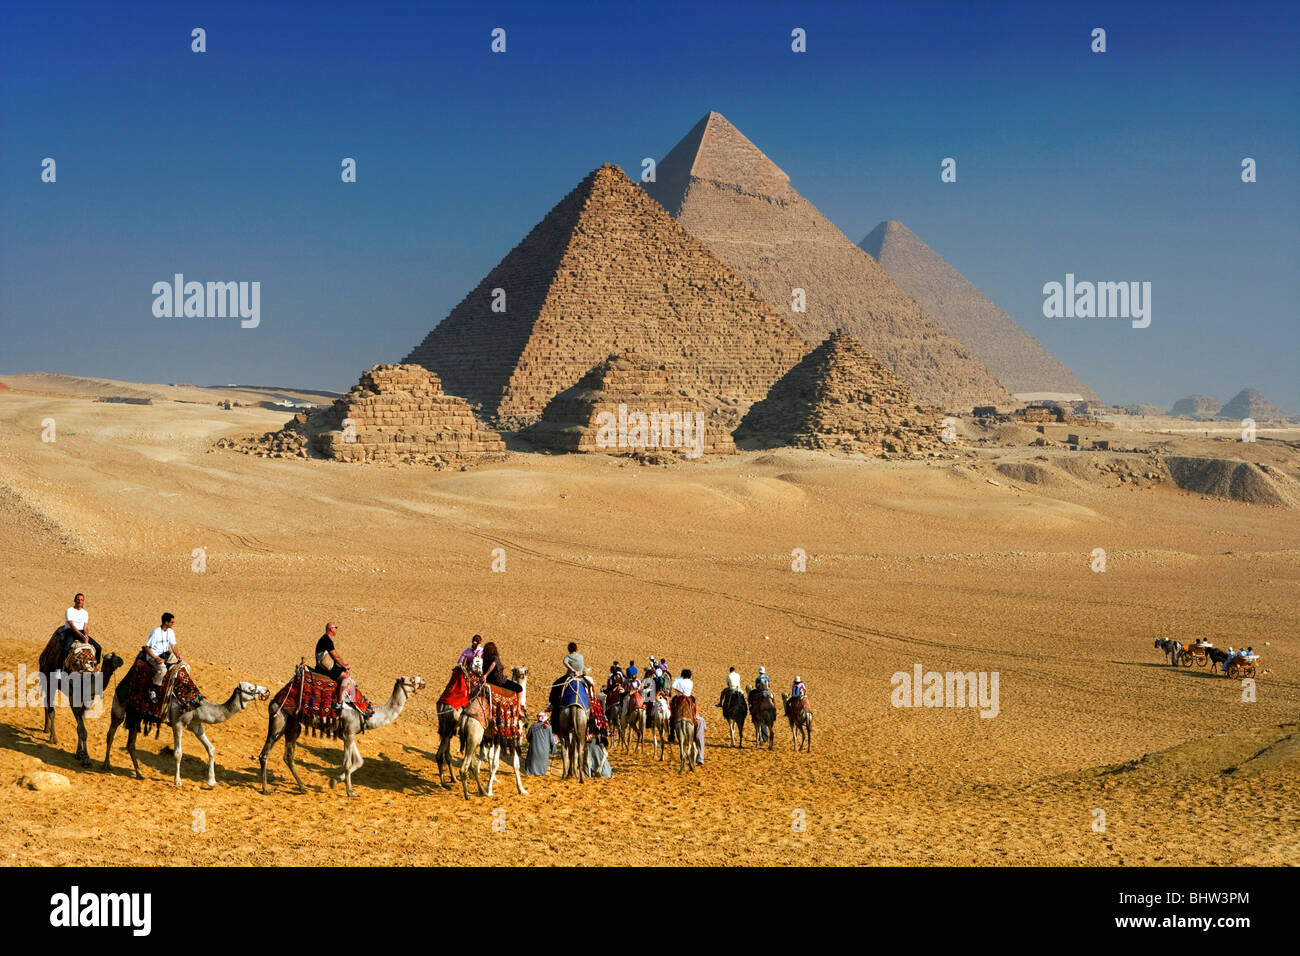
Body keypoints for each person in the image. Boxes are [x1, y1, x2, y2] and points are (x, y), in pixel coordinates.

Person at [143, 612, 181, 703]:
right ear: (166, 622)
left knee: (183, 665)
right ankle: (152, 690)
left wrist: (178, 655)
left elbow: (174, 645)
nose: (173, 624)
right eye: (172, 622)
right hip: (154, 656)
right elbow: (147, 648)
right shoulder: (156, 632)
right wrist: (156, 658)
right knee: (162, 670)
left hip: (166, 655)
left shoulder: (171, 632)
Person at [60, 593, 101, 662]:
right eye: (78, 599)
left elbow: (85, 626)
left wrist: (86, 636)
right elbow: (72, 625)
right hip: (71, 631)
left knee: (98, 648)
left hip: (81, 631)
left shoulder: (85, 613)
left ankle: (95, 665)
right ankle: (59, 668)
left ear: (83, 601)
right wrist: (82, 636)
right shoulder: (69, 610)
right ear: (74, 600)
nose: (80, 601)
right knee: (66, 649)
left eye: (81, 600)